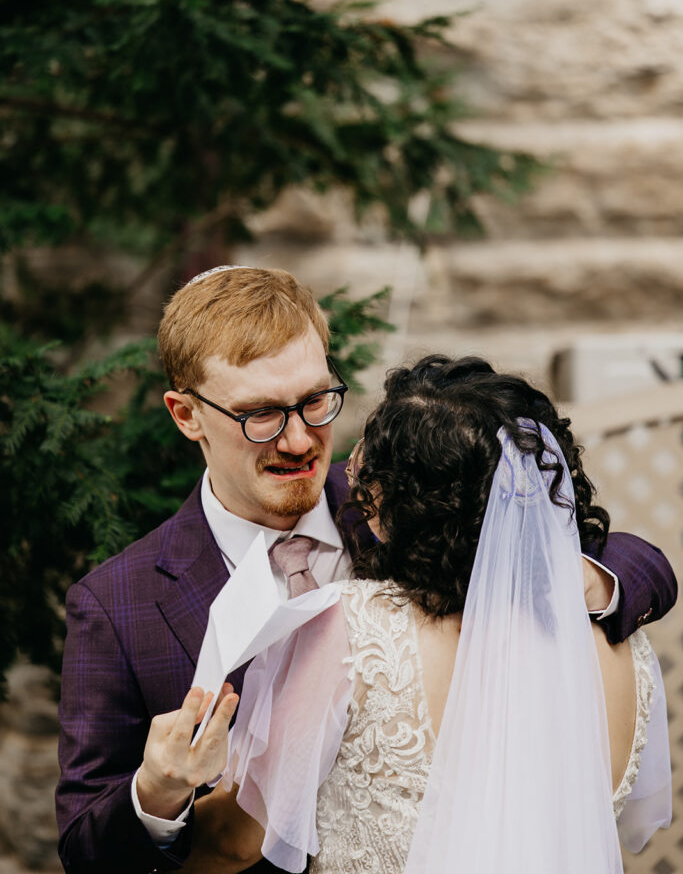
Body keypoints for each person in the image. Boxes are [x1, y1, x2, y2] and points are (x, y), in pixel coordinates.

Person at [55, 268, 677, 874]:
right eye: (261, 414)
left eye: (316, 401)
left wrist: (584, 581)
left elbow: (629, 559)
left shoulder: (406, 505)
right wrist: (157, 797)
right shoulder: (116, 604)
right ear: (187, 415)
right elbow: (85, 847)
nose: (299, 440)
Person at [184, 355, 673, 873]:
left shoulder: (349, 627)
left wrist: (163, 801)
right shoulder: (619, 640)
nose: (353, 482)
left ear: (404, 503)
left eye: (364, 474)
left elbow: (235, 839)